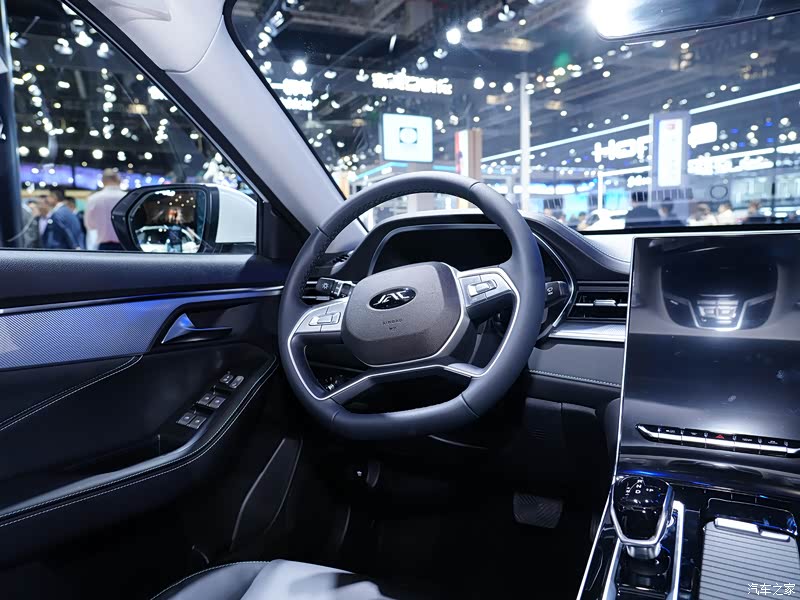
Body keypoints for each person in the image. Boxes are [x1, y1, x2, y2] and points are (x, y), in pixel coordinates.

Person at [85, 169, 127, 250]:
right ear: (118, 180)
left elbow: (89, 224)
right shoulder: (127, 197)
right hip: (124, 246)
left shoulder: (93, 199)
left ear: (102, 181)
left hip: (103, 246)